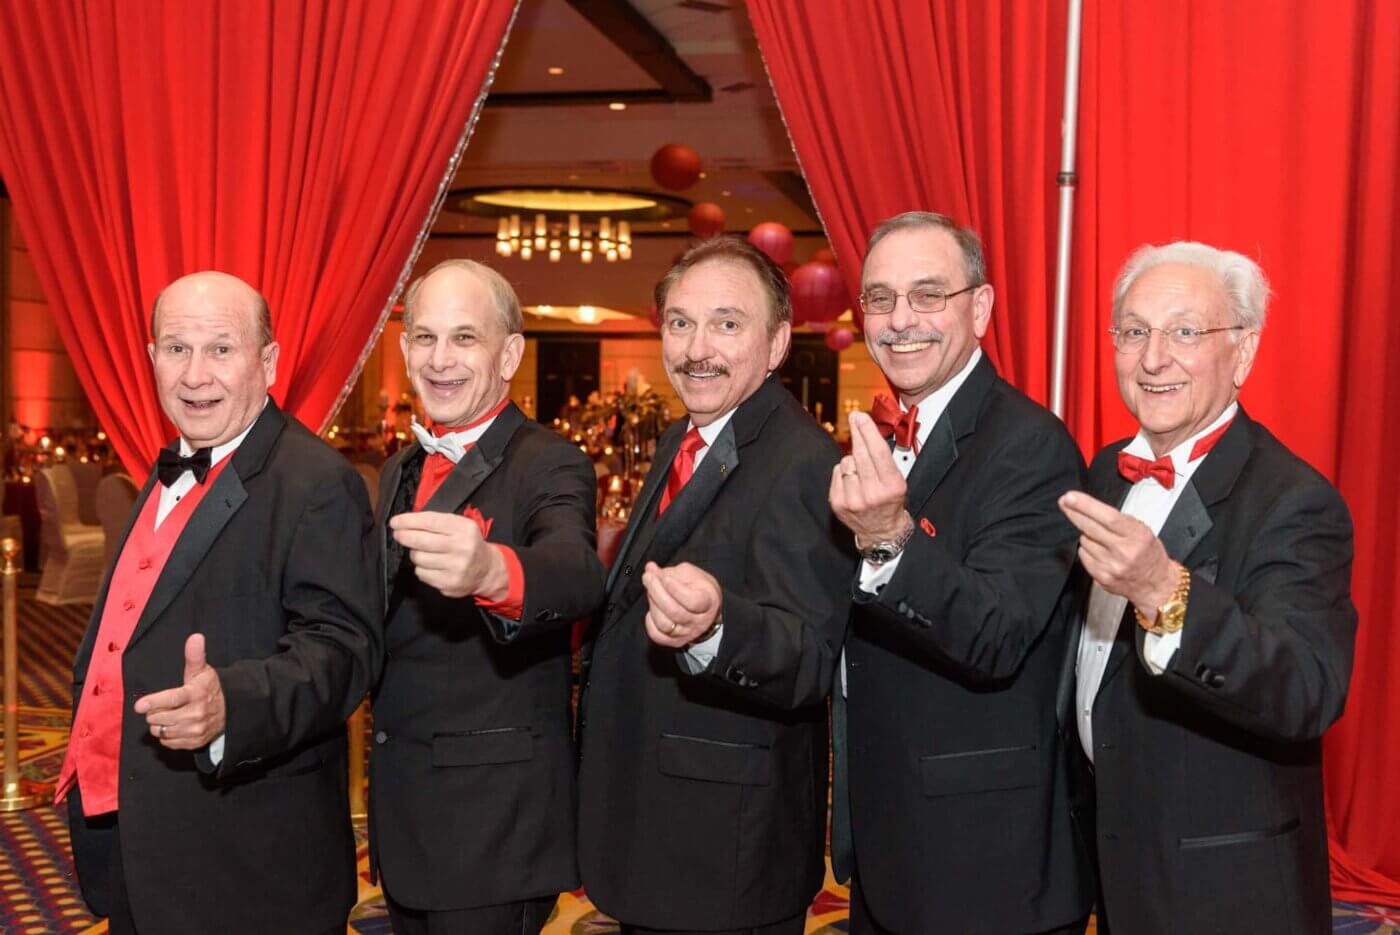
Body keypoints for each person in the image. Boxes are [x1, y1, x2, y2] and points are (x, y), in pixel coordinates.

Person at [57, 271, 381, 934]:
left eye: (221, 349)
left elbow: (343, 651)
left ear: (267, 362)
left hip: (245, 869)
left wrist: (234, 702)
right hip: (140, 843)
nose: (195, 374)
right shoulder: (166, 465)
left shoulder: (317, 482)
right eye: (176, 349)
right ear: (151, 359)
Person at [1059, 241, 1356, 934]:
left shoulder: (1294, 500)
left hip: (1228, 892)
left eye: (1185, 332)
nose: (1153, 357)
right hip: (1116, 860)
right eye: (1134, 331)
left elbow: (1307, 687)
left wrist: (1169, 593)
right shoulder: (1108, 471)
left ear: (1244, 353)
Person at [576, 236, 854, 935]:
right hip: (659, 823)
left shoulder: (803, 462)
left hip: (726, 849)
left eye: (727, 324)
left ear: (778, 342)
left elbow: (809, 657)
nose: (698, 346)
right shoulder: (680, 437)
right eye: (680, 322)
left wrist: (717, 627)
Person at [829, 211, 1092, 934]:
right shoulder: (880, 433)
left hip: (985, 859)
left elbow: (997, 633)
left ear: (980, 308)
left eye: (927, 295)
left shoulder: (1030, 445)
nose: (899, 319)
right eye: (879, 298)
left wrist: (890, 541)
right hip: (892, 842)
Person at [369, 259, 606, 935]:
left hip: (491, 826)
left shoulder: (547, 459)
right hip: (406, 814)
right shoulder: (398, 467)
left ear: (508, 355)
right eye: (424, 337)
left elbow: (577, 570)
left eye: (464, 339)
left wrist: (493, 573)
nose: (440, 359)